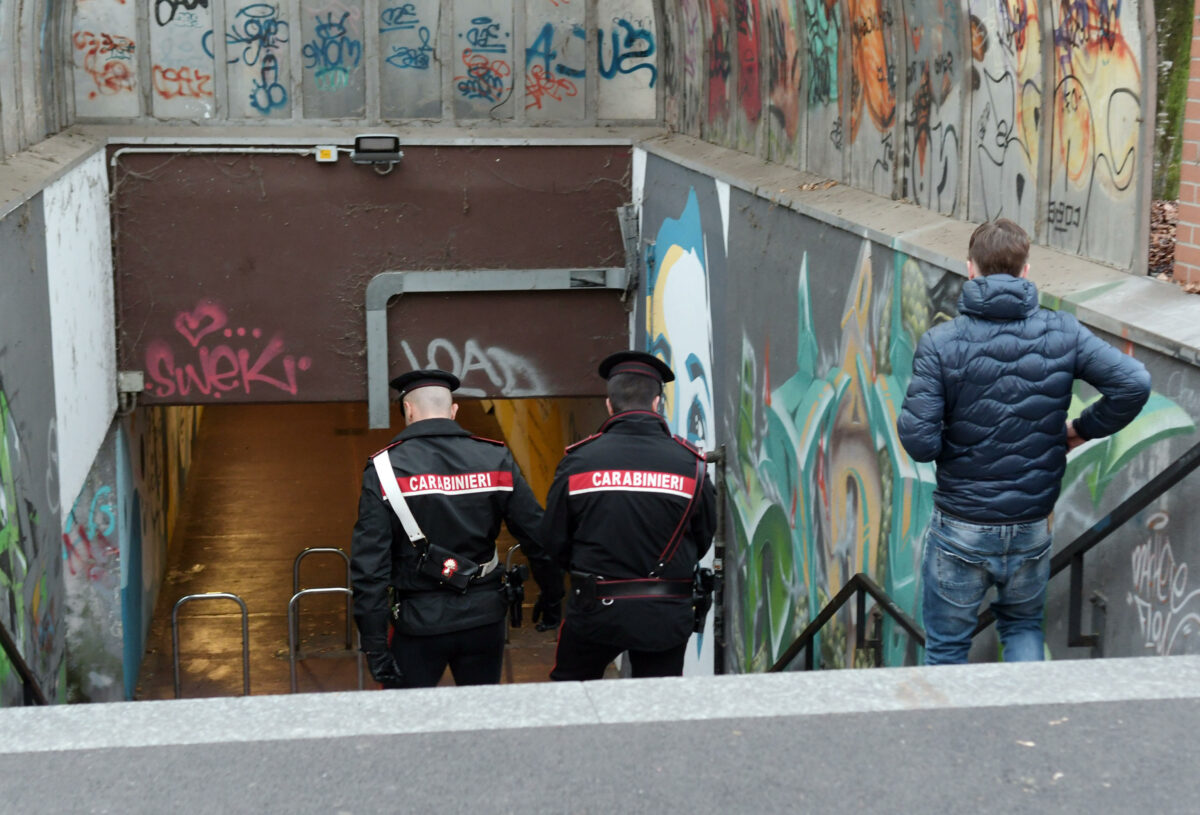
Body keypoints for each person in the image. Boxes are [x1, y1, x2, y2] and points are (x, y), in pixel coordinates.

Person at [898, 218, 1151, 665]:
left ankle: (946, 737)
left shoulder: (941, 344)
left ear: (970, 269)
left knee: (946, 647)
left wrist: (954, 444)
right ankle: (1031, 728)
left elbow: (919, 443)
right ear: (1026, 271)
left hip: (961, 526)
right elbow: (1133, 382)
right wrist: (1080, 430)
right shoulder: (1063, 332)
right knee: (1021, 627)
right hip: (1032, 523)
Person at [350, 369, 563, 688]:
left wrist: (375, 644)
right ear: (453, 411)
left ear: (408, 410)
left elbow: (370, 569)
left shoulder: (384, 470)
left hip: (418, 623)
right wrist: (552, 596)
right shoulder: (496, 459)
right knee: (480, 716)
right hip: (484, 619)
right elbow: (538, 536)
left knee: (407, 722)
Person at [542, 350, 716, 680]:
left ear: (610, 405)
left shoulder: (578, 462)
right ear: (657, 402)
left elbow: (554, 540)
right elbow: (703, 536)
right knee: (656, 709)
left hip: (594, 611)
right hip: (665, 614)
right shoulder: (691, 464)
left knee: (572, 699)